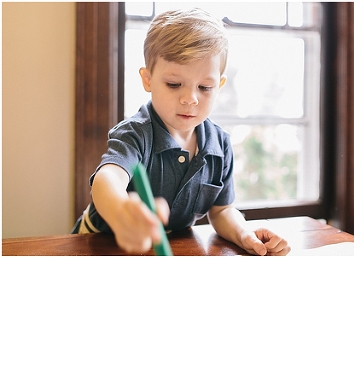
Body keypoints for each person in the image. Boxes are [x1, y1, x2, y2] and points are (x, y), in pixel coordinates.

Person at [72, 8, 290, 256]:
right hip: (99, 245)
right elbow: (107, 179)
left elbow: (221, 211)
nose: (190, 99)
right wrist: (121, 211)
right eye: (174, 84)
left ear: (219, 85)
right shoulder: (136, 133)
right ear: (147, 79)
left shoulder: (219, 144)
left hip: (168, 248)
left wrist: (244, 234)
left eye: (205, 87)